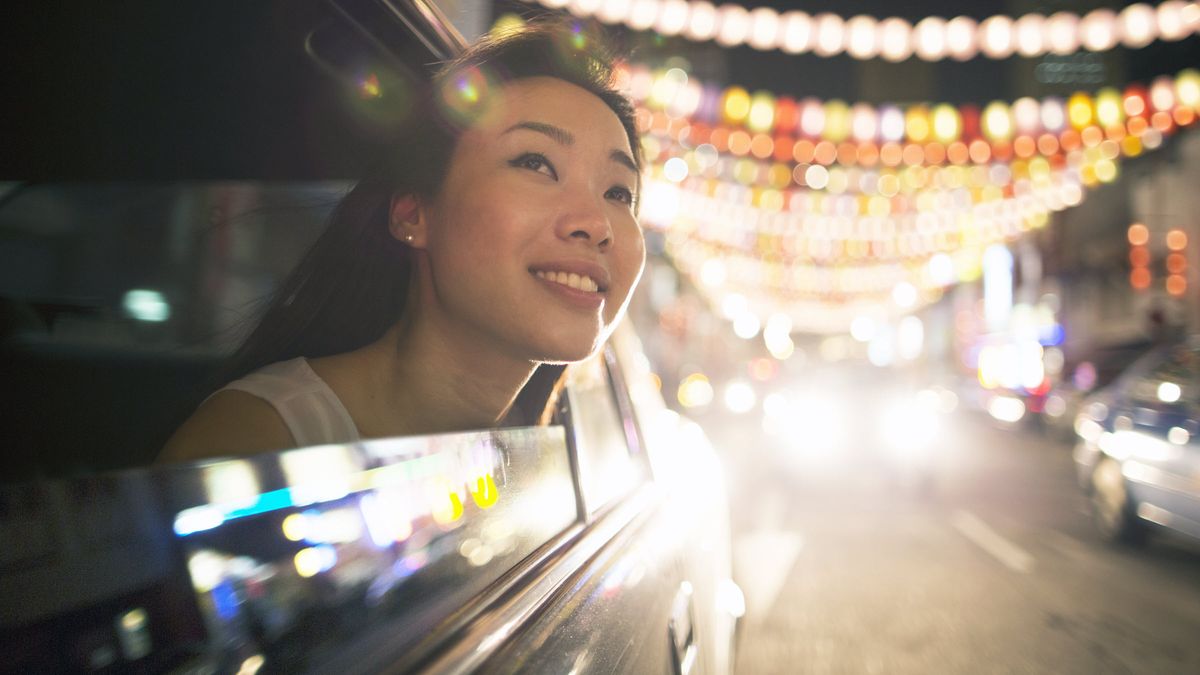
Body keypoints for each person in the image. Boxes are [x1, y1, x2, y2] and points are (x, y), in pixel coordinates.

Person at [160, 19, 645, 462]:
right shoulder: (255, 443)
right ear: (413, 213)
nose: (596, 223)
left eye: (618, 192)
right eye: (536, 164)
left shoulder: (543, 454)